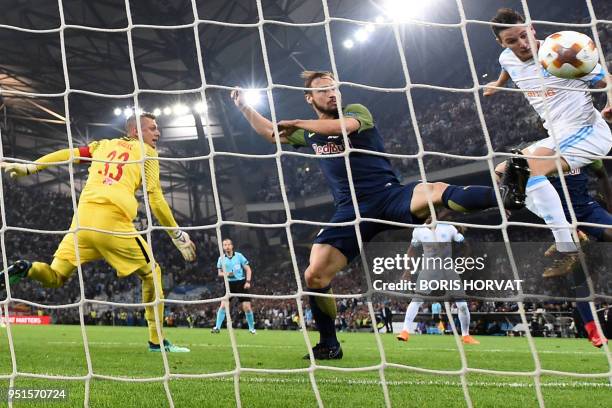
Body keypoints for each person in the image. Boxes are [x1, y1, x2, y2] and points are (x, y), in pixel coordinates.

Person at [231, 70, 513, 359]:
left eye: (334, 88)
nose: (332, 93)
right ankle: (329, 344)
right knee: (314, 275)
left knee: (435, 190)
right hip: (349, 211)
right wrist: (244, 106)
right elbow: (270, 133)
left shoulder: (355, 111)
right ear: (309, 97)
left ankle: (504, 196)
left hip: (387, 194)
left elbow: (342, 127)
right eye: (323, 90)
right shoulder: (309, 133)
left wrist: (298, 122)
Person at [0, 112, 196, 352]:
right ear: (135, 132)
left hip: (82, 221)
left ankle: (26, 268)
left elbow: (69, 154)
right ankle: (156, 341)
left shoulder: (103, 145)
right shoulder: (148, 153)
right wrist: (176, 235)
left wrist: (31, 167)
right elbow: (155, 198)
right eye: (152, 128)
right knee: (152, 272)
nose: (158, 133)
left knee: (55, 277)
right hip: (112, 220)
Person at [485, 8, 612, 276]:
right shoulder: (507, 57)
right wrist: (498, 83)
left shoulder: (563, 52)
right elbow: (507, 67)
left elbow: (607, 80)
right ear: (502, 43)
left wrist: (610, 100)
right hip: (557, 135)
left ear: (532, 29)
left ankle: (567, 245)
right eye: (512, 41)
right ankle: (572, 231)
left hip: (586, 131)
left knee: (528, 171)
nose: (521, 44)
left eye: (523, 35)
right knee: (502, 174)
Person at [396, 220, 479, 345]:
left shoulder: (449, 228)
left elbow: (466, 246)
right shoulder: (418, 230)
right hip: (429, 271)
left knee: (462, 305)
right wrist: (407, 270)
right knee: (417, 299)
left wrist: (464, 260)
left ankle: (466, 336)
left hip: (448, 270)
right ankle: (405, 332)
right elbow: (411, 251)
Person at [211, 238, 256, 334]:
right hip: (228, 284)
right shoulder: (221, 259)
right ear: (223, 247)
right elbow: (219, 273)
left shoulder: (239, 256)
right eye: (225, 245)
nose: (227, 246)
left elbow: (248, 269)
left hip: (241, 283)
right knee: (223, 306)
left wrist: (248, 281)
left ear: (232, 246)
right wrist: (227, 274)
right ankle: (217, 327)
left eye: (228, 244)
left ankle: (252, 329)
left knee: (247, 307)